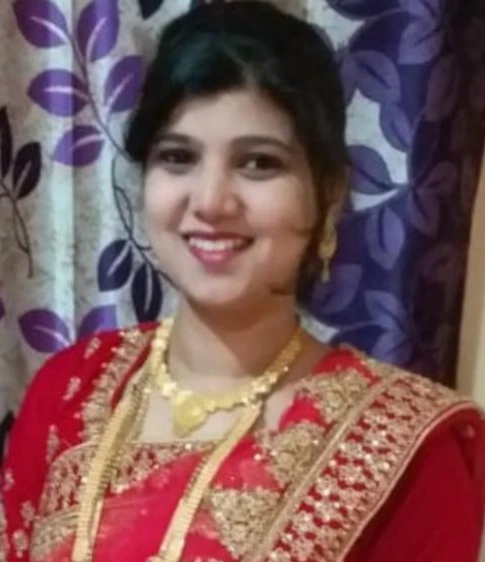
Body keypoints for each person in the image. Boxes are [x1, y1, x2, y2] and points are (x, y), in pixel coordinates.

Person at [1, 2, 484, 561]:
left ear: (329, 194)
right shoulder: (69, 390)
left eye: (259, 163)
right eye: (177, 157)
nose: (211, 202)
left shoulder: (403, 448)